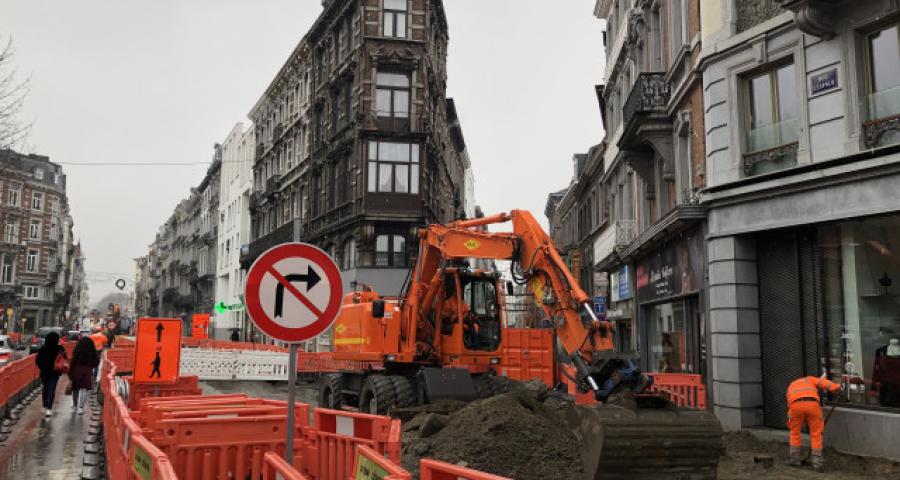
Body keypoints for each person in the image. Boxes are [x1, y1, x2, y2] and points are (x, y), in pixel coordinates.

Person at [785, 373, 842, 471]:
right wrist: (837, 387)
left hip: (795, 406)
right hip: (813, 405)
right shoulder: (810, 379)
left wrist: (796, 419)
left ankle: (795, 460)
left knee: (794, 432)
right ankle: (817, 464)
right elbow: (823, 383)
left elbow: (790, 404)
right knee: (816, 434)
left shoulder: (791, 385)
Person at [34, 331, 66, 417]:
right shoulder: (60, 349)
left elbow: (38, 361)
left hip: (44, 372)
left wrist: (42, 367)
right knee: (52, 389)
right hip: (55, 372)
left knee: (45, 388)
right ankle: (49, 408)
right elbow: (64, 358)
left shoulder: (42, 349)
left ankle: (44, 405)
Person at [68, 337, 99, 414]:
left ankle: (75, 406)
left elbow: (73, 362)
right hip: (87, 371)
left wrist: (70, 373)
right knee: (84, 389)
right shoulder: (92, 351)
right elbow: (96, 362)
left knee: (75, 389)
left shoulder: (77, 351)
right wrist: (90, 365)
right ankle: (81, 408)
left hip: (76, 370)